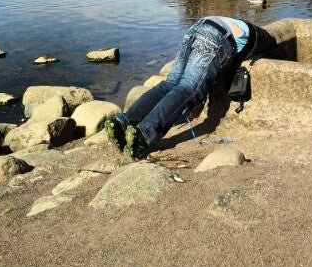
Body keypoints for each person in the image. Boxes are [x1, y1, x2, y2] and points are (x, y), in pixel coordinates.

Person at [106, 16, 284, 160]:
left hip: (197, 27)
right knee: (188, 88)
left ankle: (124, 121)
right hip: (217, 36)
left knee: (170, 83)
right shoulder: (267, 43)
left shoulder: (249, 29)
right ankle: (144, 135)